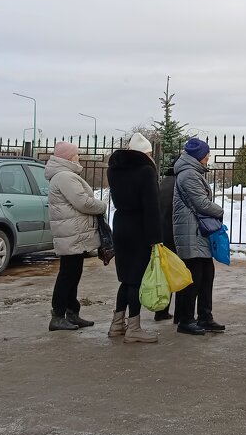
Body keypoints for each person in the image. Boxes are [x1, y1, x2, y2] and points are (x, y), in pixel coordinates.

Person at [45, 141, 107, 331]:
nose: (78, 156)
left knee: (73, 273)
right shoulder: (65, 176)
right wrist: (102, 205)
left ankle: (72, 312)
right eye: (76, 154)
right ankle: (58, 315)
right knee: (67, 275)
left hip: (73, 233)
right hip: (71, 233)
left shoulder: (65, 175)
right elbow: (83, 203)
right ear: (69, 157)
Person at [106, 132, 162, 343]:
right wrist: (156, 238)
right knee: (137, 279)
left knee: (126, 278)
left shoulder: (114, 170)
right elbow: (152, 208)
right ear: (145, 154)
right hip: (140, 228)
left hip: (120, 224)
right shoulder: (146, 172)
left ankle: (117, 324)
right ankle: (134, 327)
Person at [172, 138, 226, 336]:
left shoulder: (192, 172)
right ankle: (186, 320)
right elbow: (201, 204)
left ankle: (205, 317)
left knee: (206, 275)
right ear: (198, 156)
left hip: (197, 232)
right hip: (191, 233)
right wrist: (220, 211)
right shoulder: (188, 175)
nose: (208, 157)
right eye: (206, 154)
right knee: (193, 278)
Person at [155, 158, 178, 322]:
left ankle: (162, 310)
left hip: (162, 232)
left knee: (165, 272)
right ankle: (182, 315)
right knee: (181, 271)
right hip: (175, 232)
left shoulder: (163, 182)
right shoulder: (179, 183)